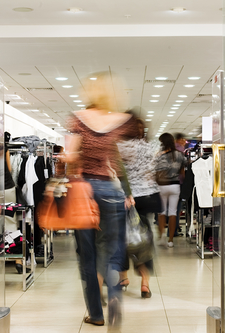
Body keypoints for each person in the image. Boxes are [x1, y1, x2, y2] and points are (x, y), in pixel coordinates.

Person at [64, 72, 137, 326]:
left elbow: (70, 156)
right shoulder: (120, 121)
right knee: (113, 251)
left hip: (85, 192)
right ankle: (115, 301)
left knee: (88, 255)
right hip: (111, 191)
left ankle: (96, 314)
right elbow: (123, 160)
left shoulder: (78, 119)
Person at [118, 115, 161, 299]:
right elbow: (155, 172)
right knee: (143, 239)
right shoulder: (152, 147)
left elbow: (117, 174)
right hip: (147, 197)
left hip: (125, 198)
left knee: (122, 238)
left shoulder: (120, 147)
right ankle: (145, 283)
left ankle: (123, 278)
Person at [155, 133, 186, 248]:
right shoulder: (179, 155)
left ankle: (161, 236)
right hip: (175, 186)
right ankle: (171, 240)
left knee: (161, 212)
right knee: (173, 213)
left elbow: (156, 173)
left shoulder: (160, 156)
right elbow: (182, 172)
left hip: (162, 186)